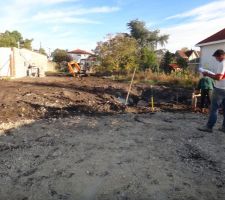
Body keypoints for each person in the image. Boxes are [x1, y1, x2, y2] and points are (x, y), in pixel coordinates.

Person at [198, 49, 225, 132]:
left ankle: (209, 127)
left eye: (216, 57)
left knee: (214, 109)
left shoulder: (222, 63)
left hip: (220, 89)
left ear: (220, 56)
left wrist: (207, 74)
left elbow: (218, 77)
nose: (216, 59)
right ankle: (224, 127)